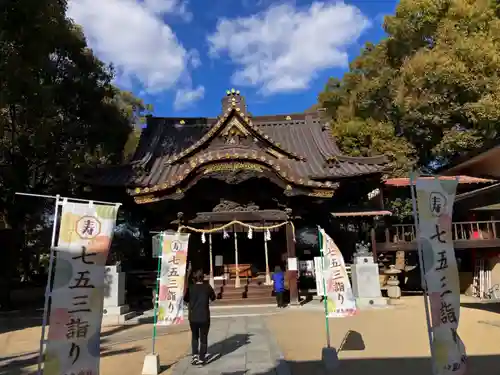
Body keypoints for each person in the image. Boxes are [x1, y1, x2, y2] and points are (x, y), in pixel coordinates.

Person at [183, 269, 216, 366]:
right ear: (203, 277)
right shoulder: (207, 287)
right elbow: (213, 297)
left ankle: (194, 356)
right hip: (204, 316)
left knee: (194, 336)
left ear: (194, 278)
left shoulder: (191, 288)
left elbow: (186, 299)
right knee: (203, 337)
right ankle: (202, 357)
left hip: (193, 316)